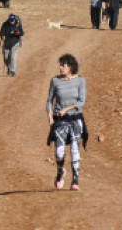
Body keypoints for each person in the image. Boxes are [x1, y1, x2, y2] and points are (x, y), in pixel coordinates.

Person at [46, 54, 87, 191]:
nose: (60, 67)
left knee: (75, 148)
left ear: (70, 67)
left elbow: (81, 101)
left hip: (75, 118)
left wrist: (66, 109)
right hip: (60, 120)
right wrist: (50, 117)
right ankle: (60, 171)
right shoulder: (55, 81)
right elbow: (49, 101)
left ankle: (75, 180)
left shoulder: (80, 81)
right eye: (60, 64)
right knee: (59, 151)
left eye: (63, 65)